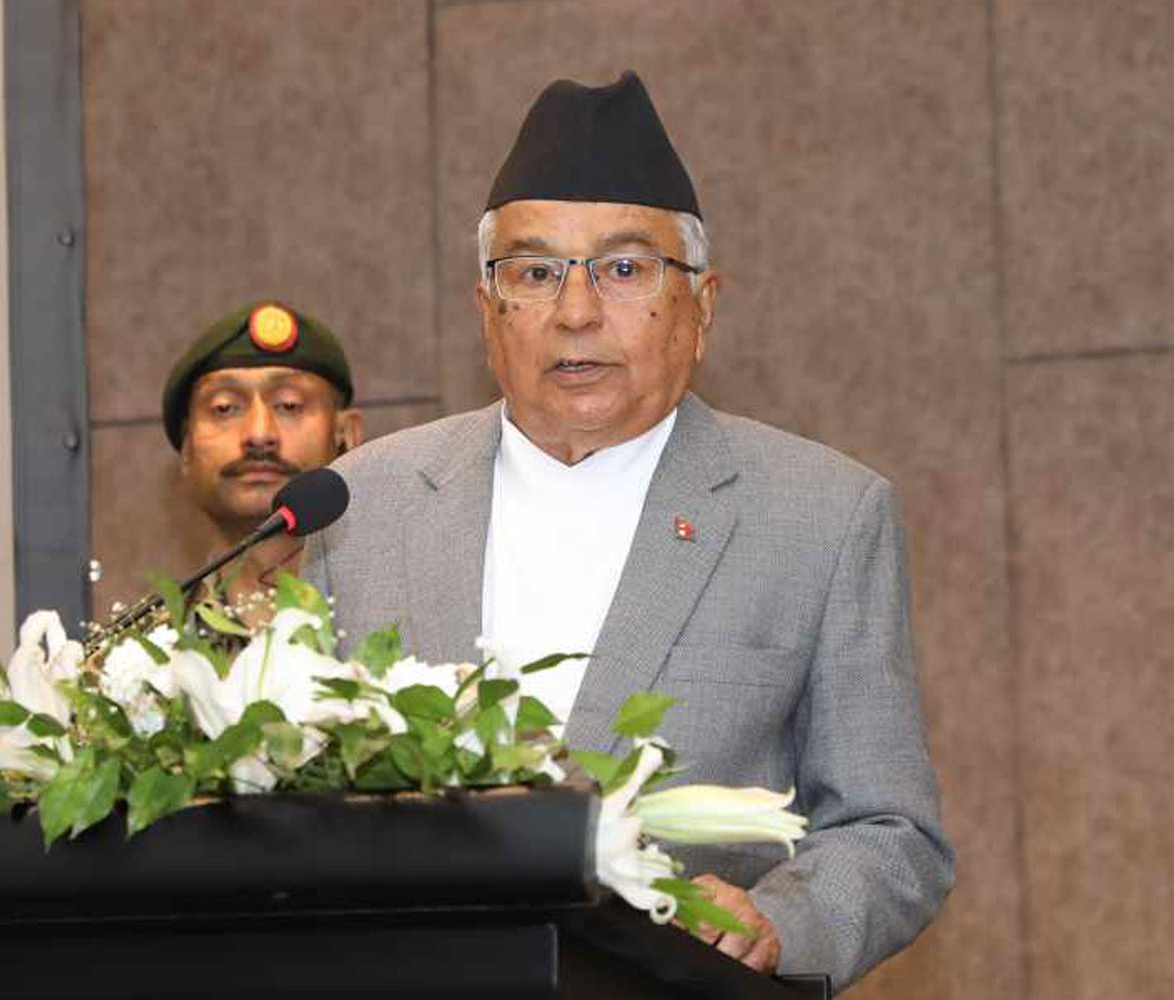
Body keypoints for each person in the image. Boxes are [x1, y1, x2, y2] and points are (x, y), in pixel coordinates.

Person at [304, 73, 952, 991]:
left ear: (702, 306)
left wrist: (780, 918)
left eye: (623, 270)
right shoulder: (364, 504)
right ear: (486, 311)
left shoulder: (823, 515)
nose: (575, 313)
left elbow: (892, 832)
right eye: (534, 273)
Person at [162, 301, 364, 615]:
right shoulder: (150, 642)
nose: (259, 434)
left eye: (289, 405)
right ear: (186, 448)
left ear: (346, 436)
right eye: (225, 408)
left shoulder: (407, 618)